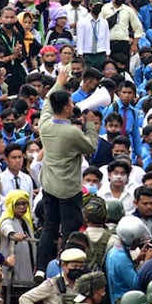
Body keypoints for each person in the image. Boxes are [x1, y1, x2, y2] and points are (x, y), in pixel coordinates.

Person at [36, 64, 99, 282]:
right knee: (70, 230)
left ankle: (41, 268)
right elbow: (90, 147)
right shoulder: (71, 132)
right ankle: (67, 270)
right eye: (71, 103)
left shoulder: (44, 124)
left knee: (50, 227)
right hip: (69, 189)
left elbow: (47, 102)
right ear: (64, 108)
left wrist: (59, 82)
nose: (74, 105)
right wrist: (91, 126)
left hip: (49, 184)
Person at [19, 248, 88, 304]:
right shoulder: (52, 285)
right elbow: (25, 299)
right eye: (74, 266)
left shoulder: (84, 286)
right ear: (64, 265)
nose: (78, 270)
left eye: (80, 267)